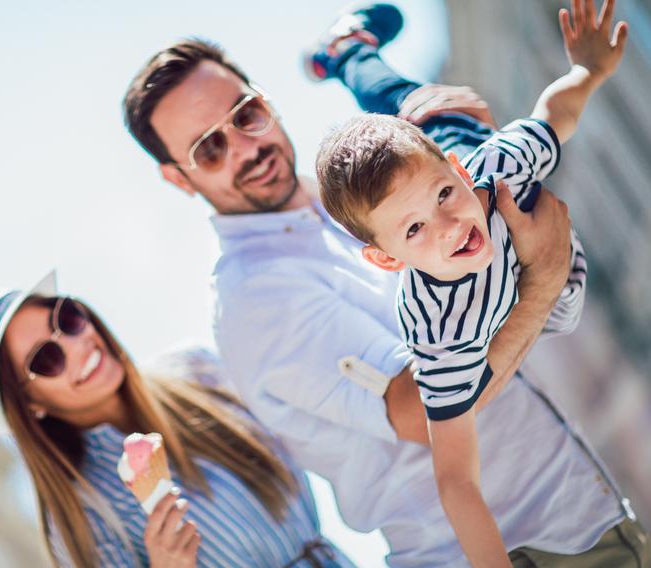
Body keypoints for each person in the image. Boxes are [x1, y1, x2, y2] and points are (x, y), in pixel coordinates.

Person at [122, 4, 648, 566]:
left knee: (441, 122)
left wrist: (475, 155)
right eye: (210, 148)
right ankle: (350, 50)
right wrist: (543, 280)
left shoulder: (366, 194)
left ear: (265, 99)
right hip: (503, 550)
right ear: (178, 177)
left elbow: (508, 159)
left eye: (245, 114)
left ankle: (350, 52)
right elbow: (425, 411)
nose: (246, 147)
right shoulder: (254, 299)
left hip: (578, 511)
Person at [315, 2, 625, 564]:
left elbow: (555, 115)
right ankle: (349, 52)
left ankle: (349, 52)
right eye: (415, 229)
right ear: (387, 261)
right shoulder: (436, 328)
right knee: (404, 114)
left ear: (461, 177)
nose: (450, 226)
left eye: (444, 197)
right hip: (528, 266)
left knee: (414, 106)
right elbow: (457, 480)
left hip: (454, 135)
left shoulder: (492, 169)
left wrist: (588, 69)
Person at [0, 271, 353, 567]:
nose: (79, 345)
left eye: (66, 319)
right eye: (47, 359)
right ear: (30, 406)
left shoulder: (198, 370)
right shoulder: (84, 515)